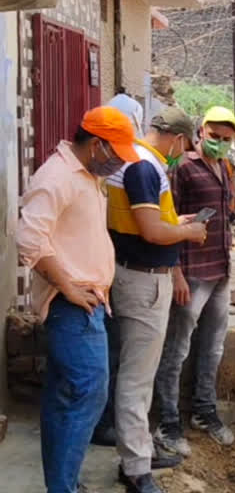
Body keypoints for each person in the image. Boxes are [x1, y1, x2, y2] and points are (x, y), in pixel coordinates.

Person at [16, 106, 139, 493]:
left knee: (64, 396)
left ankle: (63, 483)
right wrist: (68, 285)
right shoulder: (56, 177)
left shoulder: (86, 175)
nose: (118, 161)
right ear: (97, 145)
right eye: (116, 153)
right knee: (88, 389)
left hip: (88, 301)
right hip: (72, 304)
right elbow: (28, 240)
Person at [107, 106, 207, 493]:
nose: (183, 153)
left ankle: (138, 453)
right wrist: (188, 232)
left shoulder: (132, 161)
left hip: (132, 273)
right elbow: (150, 230)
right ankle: (135, 470)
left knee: (133, 373)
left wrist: (176, 224)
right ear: (178, 139)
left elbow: (143, 221)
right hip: (143, 280)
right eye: (185, 146)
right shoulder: (145, 168)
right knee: (136, 378)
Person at [153, 107, 235, 460]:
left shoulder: (225, 167)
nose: (219, 144)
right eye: (214, 137)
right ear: (200, 132)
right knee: (177, 350)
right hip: (190, 272)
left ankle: (205, 413)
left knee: (213, 347)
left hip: (219, 269)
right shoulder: (183, 169)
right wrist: (174, 272)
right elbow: (168, 220)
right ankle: (168, 424)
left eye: (226, 139)